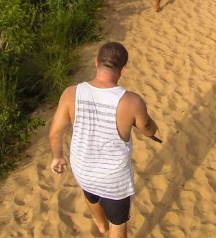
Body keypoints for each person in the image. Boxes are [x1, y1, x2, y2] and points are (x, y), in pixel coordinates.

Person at [49, 42, 159, 238]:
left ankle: (101, 226)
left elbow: (56, 131)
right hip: (113, 179)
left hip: (82, 169)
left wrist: (57, 157)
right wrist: (152, 126)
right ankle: (108, 227)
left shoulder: (71, 93)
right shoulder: (132, 101)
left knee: (91, 195)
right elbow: (148, 130)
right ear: (122, 70)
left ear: (96, 62)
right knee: (118, 223)